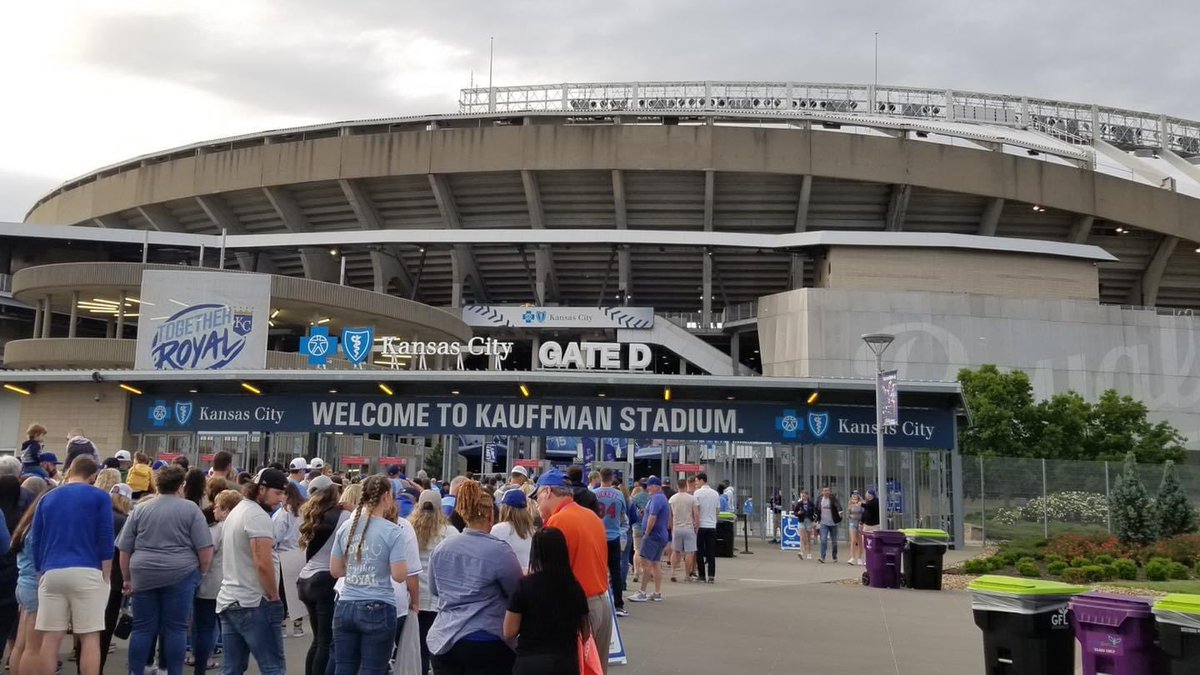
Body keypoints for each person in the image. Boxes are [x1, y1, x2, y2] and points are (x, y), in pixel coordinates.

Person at [118, 465, 214, 675]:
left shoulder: (141, 509)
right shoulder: (191, 509)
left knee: (142, 628)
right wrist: (201, 573)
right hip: (181, 572)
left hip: (143, 572)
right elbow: (205, 548)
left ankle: (135, 671)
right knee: (176, 628)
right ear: (181, 486)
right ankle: (172, 671)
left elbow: (124, 548)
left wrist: (127, 578)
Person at [428, 480, 522, 675]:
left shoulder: (442, 548)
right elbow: (516, 593)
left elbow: (435, 589)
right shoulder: (500, 551)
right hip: (487, 637)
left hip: (445, 638)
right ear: (490, 516)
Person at [29, 456, 109, 675]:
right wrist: (106, 574)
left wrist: (40, 571)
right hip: (88, 568)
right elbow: (105, 537)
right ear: (93, 475)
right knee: (90, 636)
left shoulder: (48, 497)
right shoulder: (100, 497)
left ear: (71, 470)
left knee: (51, 637)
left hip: (52, 569)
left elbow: (36, 540)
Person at [329, 475, 411, 675]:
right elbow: (400, 576)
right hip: (378, 605)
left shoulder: (346, 527)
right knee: (373, 669)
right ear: (386, 496)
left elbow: (335, 570)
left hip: (346, 604)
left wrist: (357, 568)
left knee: (344, 667)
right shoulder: (393, 531)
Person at [534, 470, 612, 674]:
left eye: (537, 496)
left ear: (547, 492)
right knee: (595, 669)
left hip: (577, 609)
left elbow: (548, 575)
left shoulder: (557, 521)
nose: (537, 503)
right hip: (601, 603)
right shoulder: (591, 516)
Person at [217, 468, 288, 675]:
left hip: (231, 599)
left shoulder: (239, 510)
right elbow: (262, 562)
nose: (280, 499)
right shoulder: (257, 516)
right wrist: (274, 597)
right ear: (261, 489)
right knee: (273, 667)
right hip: (253, 601)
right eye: (277, 493)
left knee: (232, 668)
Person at [503, 528, 590, 675]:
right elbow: (586, 632)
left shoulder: (525, 586)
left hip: (531, 661)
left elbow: (509, 632)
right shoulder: (574, 587)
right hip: (565, 662)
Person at [296, 476, 345, 675]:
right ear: (332, 491)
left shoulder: (309, 514)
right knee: (326, 641)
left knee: (317, 640)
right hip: (325, 580)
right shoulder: (343, 515)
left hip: (306, 579)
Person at [193, 489, 241, 675]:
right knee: (229, 631)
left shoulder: (216, 530)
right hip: (233, 585)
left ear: (226, 510)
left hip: (211, 584)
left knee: (204, 627)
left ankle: (200, 666)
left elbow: (207, 554)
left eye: (218, 507)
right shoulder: (240, 527)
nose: (213, 510)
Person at [409, 489, 457, 675]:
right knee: (437, 649)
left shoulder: (408, 529)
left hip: (413, 597)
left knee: (418, 649)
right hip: (439, 599)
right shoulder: (450, 532)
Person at [10, 491, 47, 675]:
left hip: (23, 584)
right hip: (35, 587)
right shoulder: (38, 531)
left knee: (20, 644)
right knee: (33, 648)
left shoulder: (26, 527)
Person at [590, 468, 628, 615]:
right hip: (614, 536)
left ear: (600, 477)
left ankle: (598, 601)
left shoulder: (593, 494)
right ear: (612, 478)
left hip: (598, 536)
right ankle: (618, 604)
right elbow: (623, 515)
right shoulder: (619, 494)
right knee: (615, 571)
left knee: (597, 570)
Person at [273, 482, 307, 639]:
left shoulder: (283, 513)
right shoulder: (303, 511)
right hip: (300, 553)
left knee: (283, 593)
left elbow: (277, 535)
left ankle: (282, 625)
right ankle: (298, 626)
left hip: (283, 555)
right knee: (297, 593)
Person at [630, 476, 669, 603]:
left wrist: (646, 533)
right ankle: (657, 592)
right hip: (661, 534)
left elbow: (653, 517)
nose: (647, 488)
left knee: (645, 563)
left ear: (656, 486)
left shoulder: (656, 499)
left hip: (653, 535)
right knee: (656, 563)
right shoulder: (663, 498)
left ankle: (642, 592)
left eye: (650, 486)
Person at [490, 488, 534, 572]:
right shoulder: (533, 531)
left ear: (505, 508)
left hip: (510, 576)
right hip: (530, 576)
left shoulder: (498, 529)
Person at [668, 476, 699, 583]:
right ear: (686, 486)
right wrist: (697, 526)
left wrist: (671, 527)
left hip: (677, 528)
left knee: (675, 551)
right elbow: (696, 514)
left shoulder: (672, 499)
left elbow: (670, 515)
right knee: (689, 552)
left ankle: (673, 572)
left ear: (677, 487)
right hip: (689, 527)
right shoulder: (692, 498)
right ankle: (687, 575)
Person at [692, 472, 720, 583]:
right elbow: (717, 510)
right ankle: (711, 576)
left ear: (702, 480)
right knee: (711, 552)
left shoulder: (697, 493)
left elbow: (696, 510)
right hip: (712, 525)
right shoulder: (715, 494)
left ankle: (702, 575)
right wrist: (714, 520)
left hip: (701, 525)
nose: (696, 483)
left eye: (697, 481)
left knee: (699, 551)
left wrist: (695, 524)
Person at [816, 486, 844, 563]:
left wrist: (840, 511)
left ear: (829, 491)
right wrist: (815, 519)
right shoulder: (819, 499)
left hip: (833, 523)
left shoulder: (832, 498)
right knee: (823, 539)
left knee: (834, 542)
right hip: (823, 523)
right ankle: (822, 557)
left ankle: (834, 556)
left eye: (828, 490)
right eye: (825, 491)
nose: (826, 492)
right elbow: (816, 509)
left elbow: (838, 505)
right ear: (822, 492)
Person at [629, 482, 648, 584]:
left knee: (637, 550)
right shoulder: (651, 498)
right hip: (649, 527)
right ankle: (646, 572)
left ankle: (636, 572)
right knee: (647, 552)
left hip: (637, 527)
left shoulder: (634, 498)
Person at [793, 490, 817, 560]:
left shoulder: (811, 504)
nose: (803, 497)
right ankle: (801, 552)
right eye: (802, 496)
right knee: (802, 537)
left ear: (807, 496)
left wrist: (814, 520)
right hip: (801, 521)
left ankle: (809, 553)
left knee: (809, 538)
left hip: (809, 521)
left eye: (805, 495)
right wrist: (798, 513)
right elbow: (795, 512)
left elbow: (815, 512)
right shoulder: (799, 503)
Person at [846, 491, 865, 566]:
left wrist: (862, 522)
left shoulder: (861, 503)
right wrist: (850, 516)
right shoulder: (850, 503)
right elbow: (847, 513)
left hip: (860, 523)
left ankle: (859, 558)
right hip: (852, 522)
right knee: (853, 540)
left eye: (856, 494)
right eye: (853, 494)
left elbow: (864, 513)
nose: (854, 496)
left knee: (860, 541)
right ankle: (852, 557)